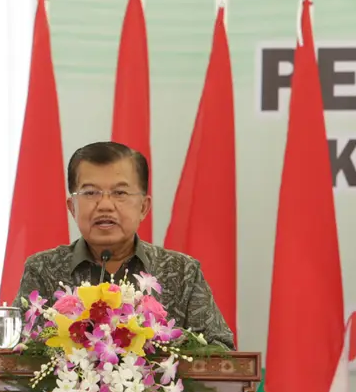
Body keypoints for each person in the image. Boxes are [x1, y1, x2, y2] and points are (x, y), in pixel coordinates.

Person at [15, 140, 236, 349]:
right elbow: (17, 354)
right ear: (72, 207)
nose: (105, 205)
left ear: (143, 207)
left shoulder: (181, 272)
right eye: (90, 192)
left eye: (119, 193)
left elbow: (221, 351)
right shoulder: (43, 269)